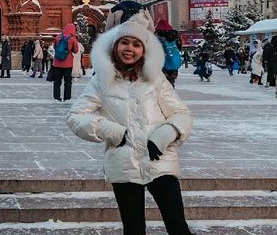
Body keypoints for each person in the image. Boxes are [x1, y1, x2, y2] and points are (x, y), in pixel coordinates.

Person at [67, 15, 194, 235]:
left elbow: (181, 114)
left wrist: (164, 135)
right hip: (124, 163)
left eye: (136, 44)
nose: (130, 49)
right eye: (124, 42)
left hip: (160, 159)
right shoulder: (101, 81)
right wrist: (112, 131)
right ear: (115, 46)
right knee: (133, 229)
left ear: (144, 50)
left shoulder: (155, 79)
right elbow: (76, 116)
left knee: (177, 226)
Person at [52, 23, 79, 102]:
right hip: (68, 64)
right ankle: (67, 97)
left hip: (57, 63)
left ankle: (56, 97)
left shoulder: (58, 37)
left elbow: (54, 47)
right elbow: (76, 50)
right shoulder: (73, 39)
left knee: (57, 81)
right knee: (67, 81)